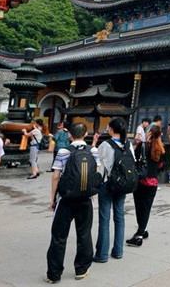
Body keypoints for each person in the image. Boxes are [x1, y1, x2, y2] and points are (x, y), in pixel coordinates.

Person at [45, 122, 99, 283]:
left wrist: (53, 199)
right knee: (84, 234)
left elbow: (55, 176)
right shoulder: (93, 151)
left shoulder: (63, 151)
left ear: (69, 135)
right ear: (86, 134)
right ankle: (81, 270)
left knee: (59, 237)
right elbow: (95, 174)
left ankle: (54, 274)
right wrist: (92, 194)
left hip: (65, 199)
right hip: (85, 199)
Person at [93, 118, 134, 263]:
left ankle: (102, 254)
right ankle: (118, 251)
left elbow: (99, 162)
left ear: (111, 129)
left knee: (104, 219)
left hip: (107, 184)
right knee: (119, 218)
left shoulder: (105, 145)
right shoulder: (128, 144)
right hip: (122, 185)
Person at [126, 125, 165, 247]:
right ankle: (144, 229)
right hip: (153, 182)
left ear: (149, 134)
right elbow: (161, 166)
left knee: (140, 207)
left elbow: (134, 160)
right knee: (146, 208)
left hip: (141, 181)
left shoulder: (142, 146)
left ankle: (139, 236)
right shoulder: (161, 149)